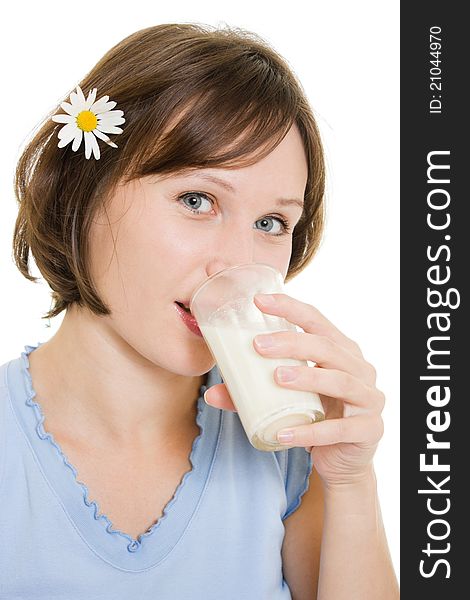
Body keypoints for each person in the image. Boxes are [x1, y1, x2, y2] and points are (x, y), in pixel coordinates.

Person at [0, 23, 399, 599]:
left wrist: (350, 480)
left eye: (271, 223)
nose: (236, 263)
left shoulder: (291, 456)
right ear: (80, 194)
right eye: (197, 200)